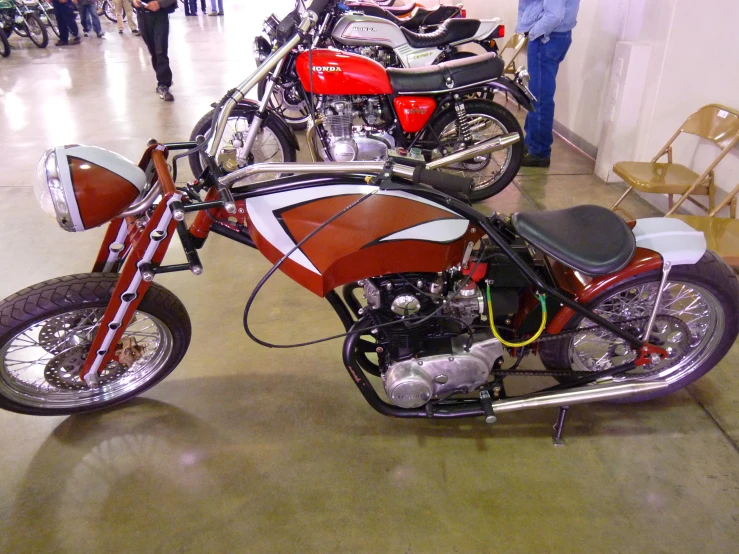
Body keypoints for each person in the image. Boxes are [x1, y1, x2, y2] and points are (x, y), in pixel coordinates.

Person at [516, 0, 581, 167]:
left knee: (539, 97)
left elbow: (554, 14)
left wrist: (534, 33)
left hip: (546, 38)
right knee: (538, 94)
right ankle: (532, 144)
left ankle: (538, 152)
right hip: (553, 36)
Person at [134, 0, 178, 101]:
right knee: (153, 51)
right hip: (142, 16)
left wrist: (160, 3)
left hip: (160, 15)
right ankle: (163, 77)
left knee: (160, 50)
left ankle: (163, 84)